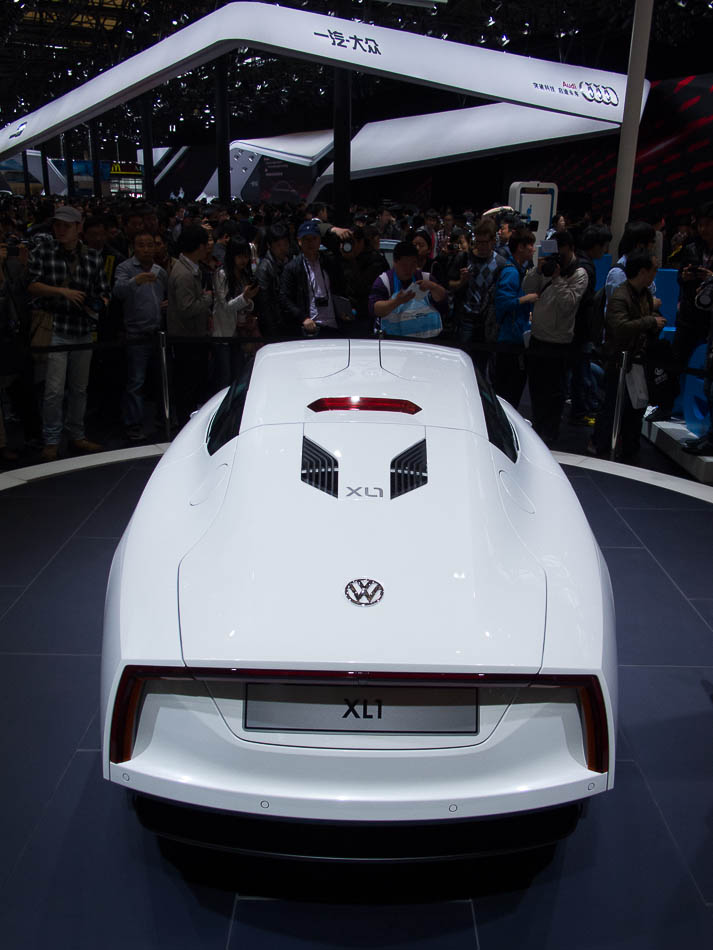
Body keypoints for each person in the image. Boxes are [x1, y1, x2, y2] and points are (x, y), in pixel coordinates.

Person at [27, 205, 110, 460]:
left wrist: (97, 304)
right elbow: (31, 285)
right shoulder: (43, 251)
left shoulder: (93, 257)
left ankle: (76, 434)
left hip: (82, 327)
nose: (60, 230)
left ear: (78, 228)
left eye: (66, 225)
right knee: (53, 389)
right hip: (54, 326)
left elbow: (104, 292)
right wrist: (62, 292)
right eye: (57, 225)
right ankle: (51, 439)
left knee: (79, 387)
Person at [591, 251, 666, 460]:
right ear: (642, 271)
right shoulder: (621, 295)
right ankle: (601, 446)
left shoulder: (643, 295)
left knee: (634, 410)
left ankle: (627, 449)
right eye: (653, 271)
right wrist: (650, 322)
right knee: (612, 407)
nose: (655, 275)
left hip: (637, 362)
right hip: (619, 362)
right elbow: (619, 327)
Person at [523, 230, 588, 445]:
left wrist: (557, 278)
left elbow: (568, 304)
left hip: (559, 343)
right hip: (538, 338)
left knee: (555, 394)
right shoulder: (546, 266)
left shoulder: (579, 273)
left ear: (570, 248)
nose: (557, 255)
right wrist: (537, 269)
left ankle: (550, 434)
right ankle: (537, 430)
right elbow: (526, 288)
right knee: (536, 389)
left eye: (560, 250)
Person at [112, 231, 167, 441]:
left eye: (150, 245)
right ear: (134, 247)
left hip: (157, 332)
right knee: (136, 381)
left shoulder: (160, 271)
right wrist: (136, 280)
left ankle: (161, 420)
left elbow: (163, 295)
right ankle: (133, 423)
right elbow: (118, 291)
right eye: (141, 245)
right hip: (136, 333)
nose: (146, 249)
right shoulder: (125, 268)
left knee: (160, 379)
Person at [166, 225, 213, 424]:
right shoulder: (184, 273)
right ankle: (186, 423)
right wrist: (207, 300)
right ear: (199, 246)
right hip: (187, 338)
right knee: (188, 383)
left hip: (192, 336)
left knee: (192, 382)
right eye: (206, 244)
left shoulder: (188, 268)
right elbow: (186, 309)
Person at [569, 224, 612, 425]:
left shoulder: (579, 262)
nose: (604, 251)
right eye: (603, 246)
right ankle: (580, 412)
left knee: (582, 370)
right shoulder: (586, 267)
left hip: (576, 329)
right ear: (595, 246)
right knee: (582, 372)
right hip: (580, 330)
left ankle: (581, 409)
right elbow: (582, 303)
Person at [450, 218, 504, 374]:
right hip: (465, 318)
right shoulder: (464, 258)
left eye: (485, 242)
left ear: (493, 241)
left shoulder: (500, 263)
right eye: (478, 242)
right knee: (461, 364)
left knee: (481, 367)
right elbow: (448, 286)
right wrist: (461, 281)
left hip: (486, 323)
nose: (481, 246)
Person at [279, 220, 347, 337]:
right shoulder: (292, 268)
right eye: (306, 239)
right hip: (310, 328)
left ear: (319, 240)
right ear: (299, 242)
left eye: (314, 238)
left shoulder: (329, 263)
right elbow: (285, 298)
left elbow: (340, 287)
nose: (311, 243)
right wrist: (303, 318)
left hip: (333, 325)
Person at [493, 228, 537, 407]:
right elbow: (502, 302)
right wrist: (526, 299)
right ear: (520, 247)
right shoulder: (511, 272)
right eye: (531, 245)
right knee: (508, 390)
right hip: (509, 338)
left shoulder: (520, 269)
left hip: (515, 336)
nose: (533, 249)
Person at [368, 240, 447, 338]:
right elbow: (375, 310)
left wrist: (433, 287)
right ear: (395, 262)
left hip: (426, 339)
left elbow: (442, 300)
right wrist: (396, 302)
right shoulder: (384, 281)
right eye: (404, 265)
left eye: (413, 264)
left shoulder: (426, 278)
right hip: (392, 340)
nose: (408, 269)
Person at [212, 237, 259, 390]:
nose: (243, 260)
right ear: (231, 255)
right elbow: (226, 306)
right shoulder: (222, 274)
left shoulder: (244, 275)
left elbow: (248, 304)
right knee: (225, 378)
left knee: (239, 374)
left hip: (240, 333)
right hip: (224, 334)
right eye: (239, 256)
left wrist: (248, 300)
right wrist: (245, 297)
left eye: (246, 256)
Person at [254, 223, 291, 339]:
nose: (283, 249)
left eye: (285, 244)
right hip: (275, 326)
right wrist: (273, 333)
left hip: (289, 320)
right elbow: (265, 305)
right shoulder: (264, 268)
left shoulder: (290, 261)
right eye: (278, 245)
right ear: (270, 245)